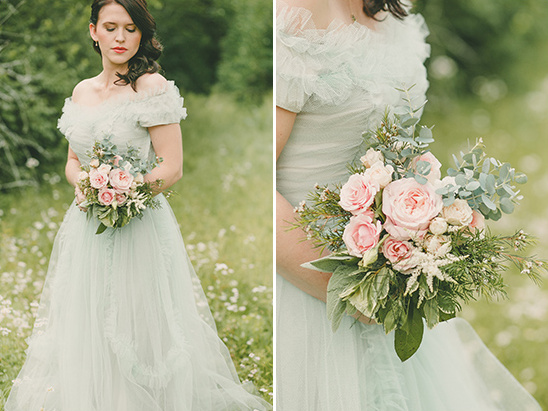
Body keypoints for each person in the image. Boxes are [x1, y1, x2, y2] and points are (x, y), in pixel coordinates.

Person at [276, 0, 541, 410]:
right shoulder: (295, 17)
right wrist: (348, 290)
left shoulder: (389, 11)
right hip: (309, 277)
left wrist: (435, 217)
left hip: (394, 271)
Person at [5, 1, 270, 410]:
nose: (120, 38)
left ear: (142, 35)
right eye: (110, 27)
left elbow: (172, 167)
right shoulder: (81, 91)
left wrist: (125, 189)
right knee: (87, 319)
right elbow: (72, 163)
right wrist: (90, 186)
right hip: (87, 224)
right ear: (94, 31)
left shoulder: (151, 88)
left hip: (137, 222)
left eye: (131, 29)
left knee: (135, 322)